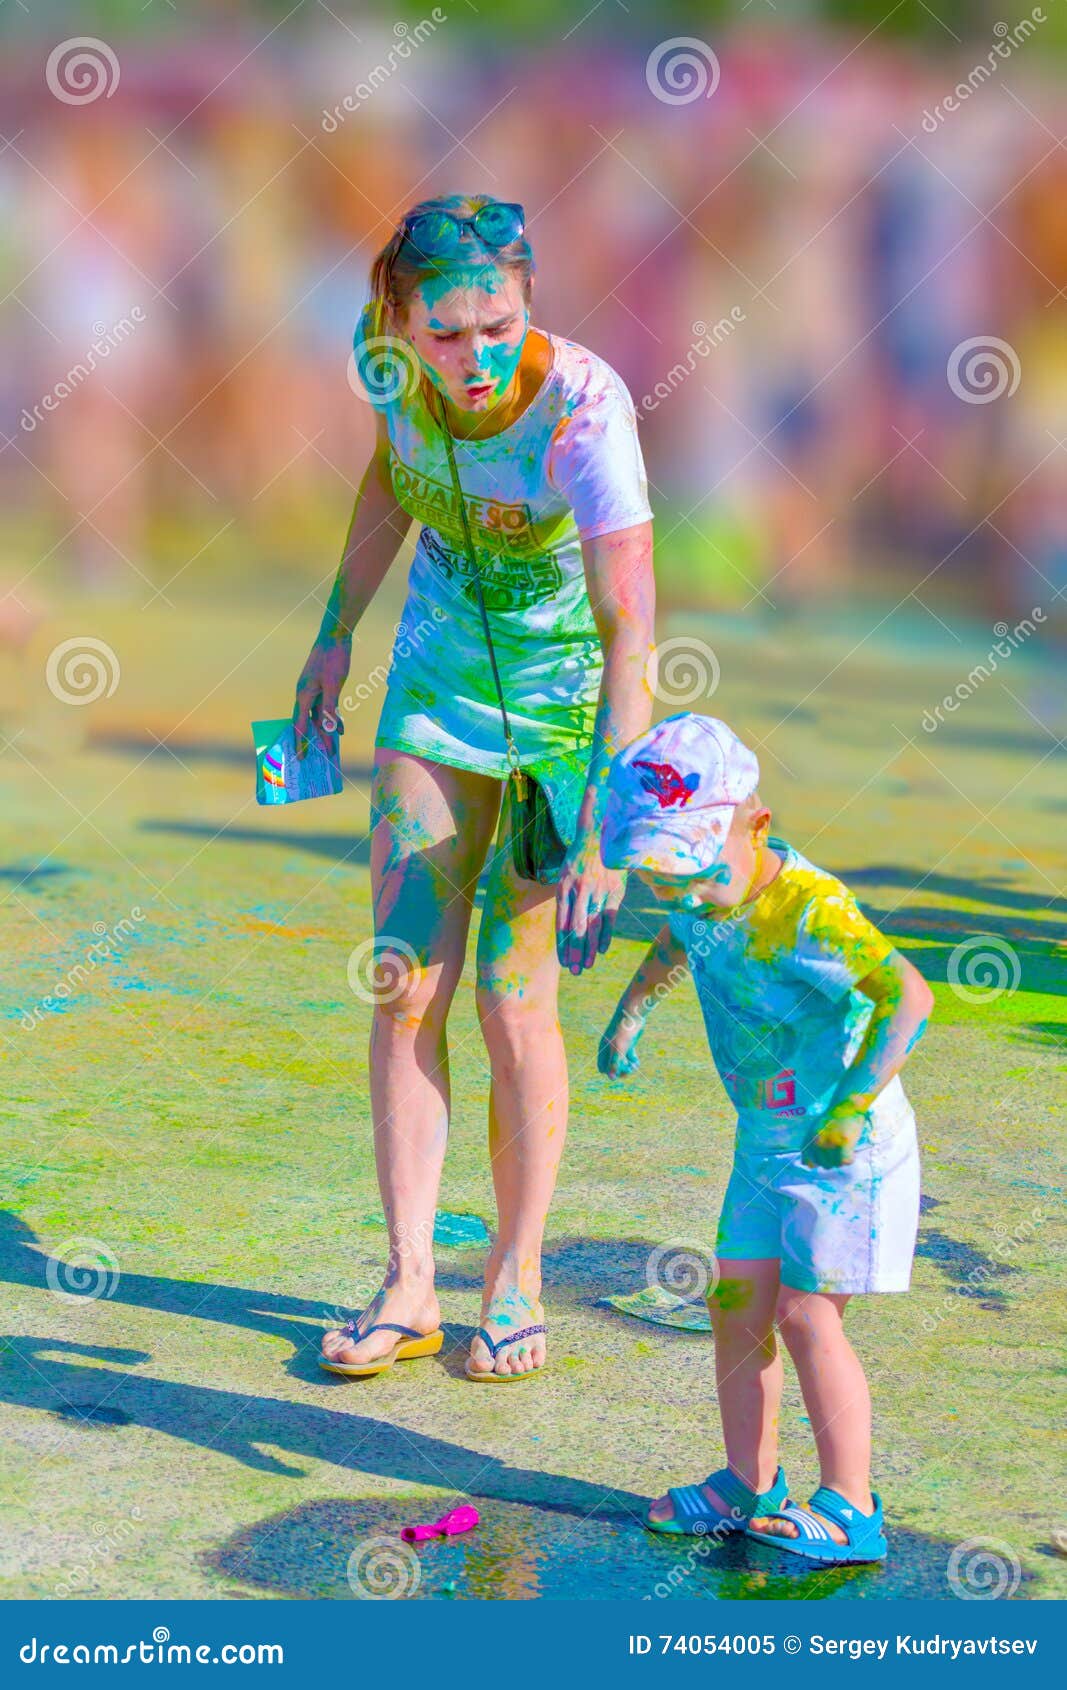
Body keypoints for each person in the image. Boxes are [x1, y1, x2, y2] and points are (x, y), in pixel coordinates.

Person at [293, 194, 656, 1381]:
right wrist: (335, 633)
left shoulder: (585, 412)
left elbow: (628, 631)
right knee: (403, 980)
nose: (473, 355)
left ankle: (514, 1271)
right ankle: (407, 1280)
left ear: (527, 300)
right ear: (397, 320)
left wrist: (606, 821)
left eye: (494, 324)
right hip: (437, 684)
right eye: (444, 333)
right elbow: (392, 480)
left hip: (560, 718)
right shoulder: (386, 368)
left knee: (514, 1003)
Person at [597, 712, 933, 1563]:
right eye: (655, 875)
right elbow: (678, 938)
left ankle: (852, 1508)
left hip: (841, 1151)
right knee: (736, 1305)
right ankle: (748, 1482)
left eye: (691, 870)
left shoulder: (808, 910)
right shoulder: (699, 894)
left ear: (755, 826)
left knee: (804, 1314)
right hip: (763, 1138)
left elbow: (908, 995)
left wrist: (852, 1105)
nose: (677, 892)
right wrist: (631, 1013)